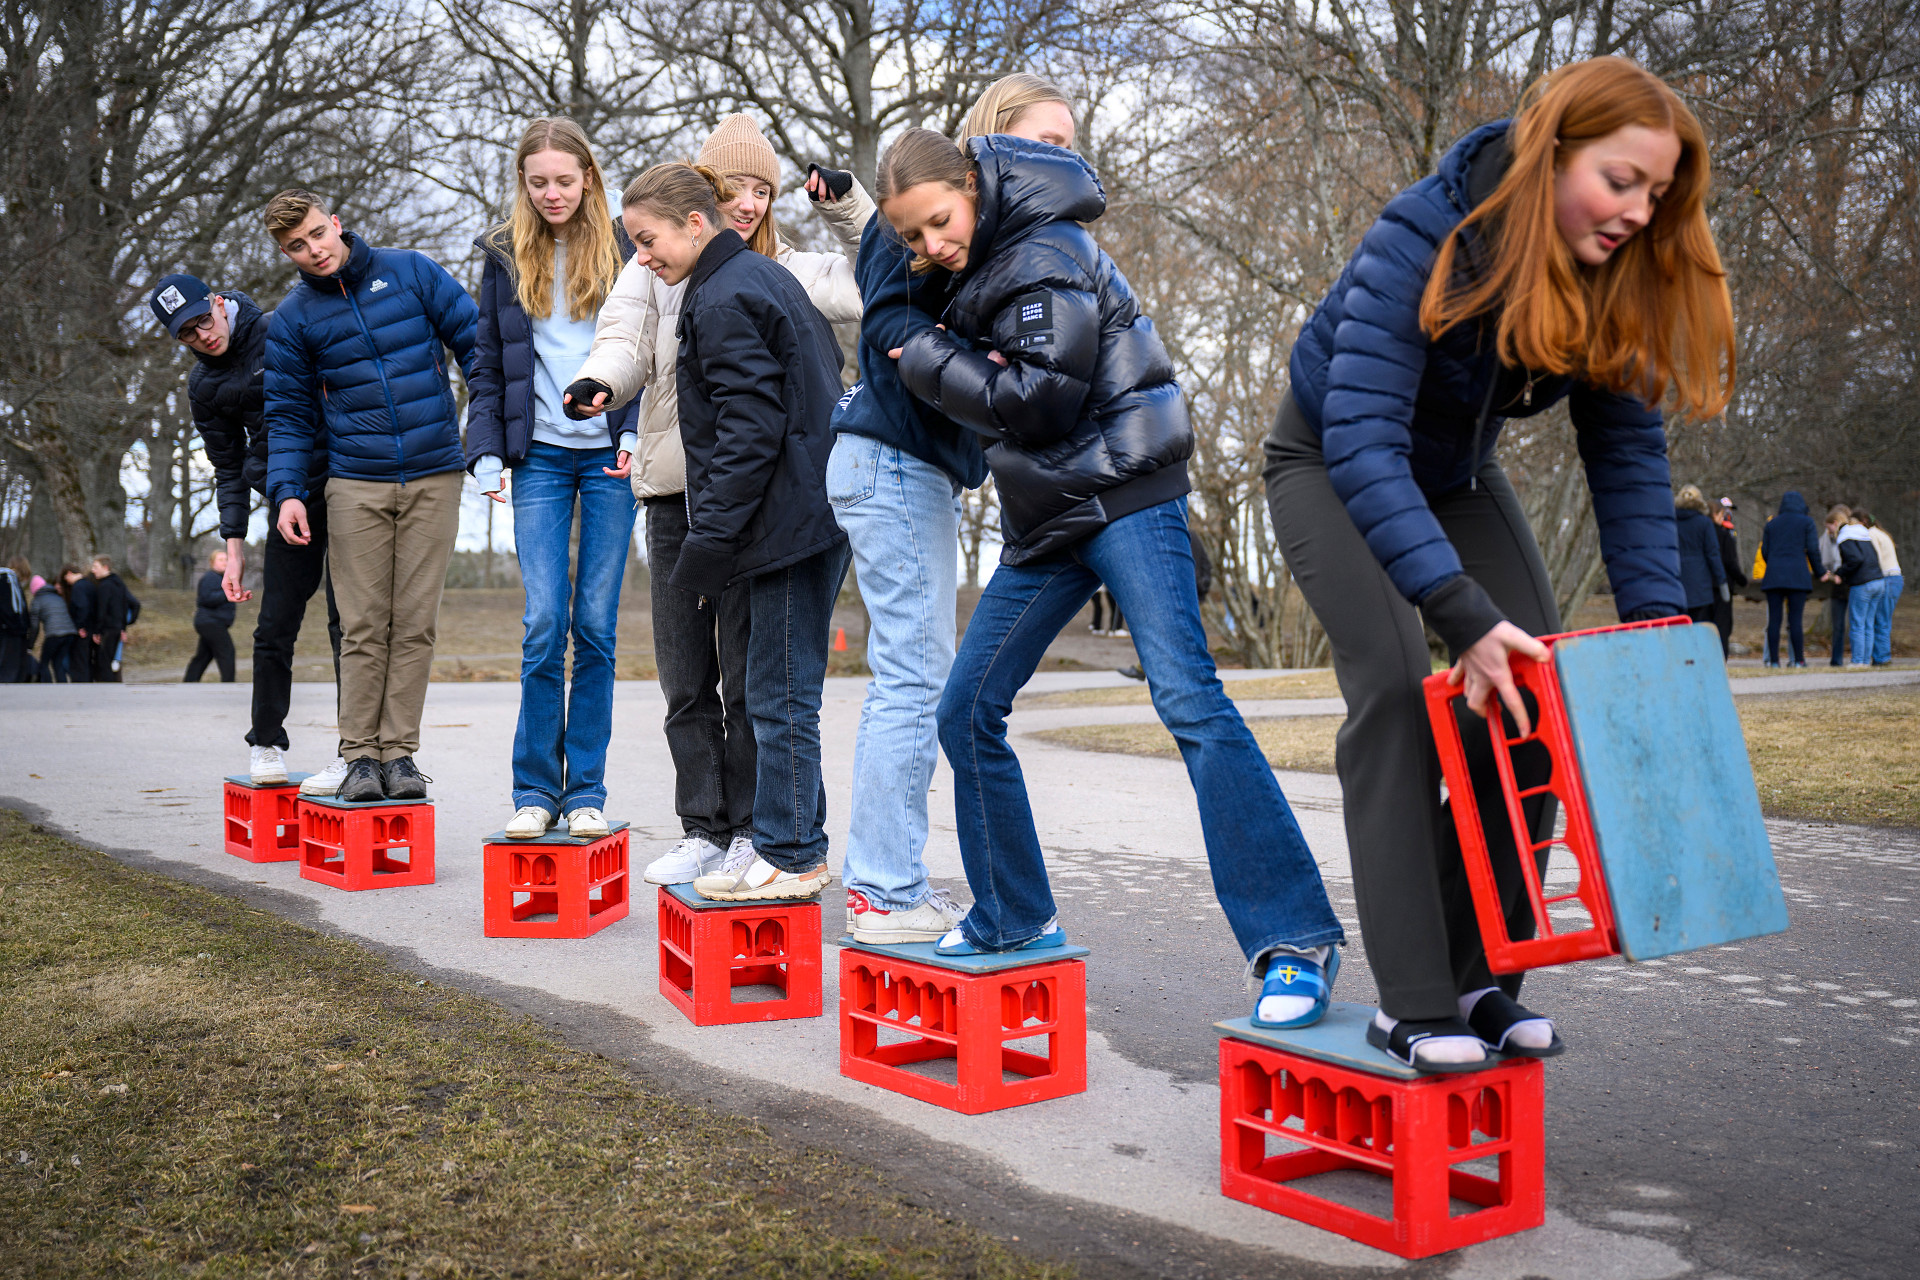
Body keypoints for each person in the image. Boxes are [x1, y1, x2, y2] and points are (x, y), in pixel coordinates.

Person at [1261, 58, 1735, 1068]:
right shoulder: (1427, 234)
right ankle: (1412, 996)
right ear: (1551, 151)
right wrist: (1459, 612)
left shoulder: (1614, 274)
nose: (1638, 213)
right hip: (1334, 457)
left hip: (1455, 477)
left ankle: (1481, 975)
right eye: (1620, 181)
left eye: (1657, 195)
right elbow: (1360, 443)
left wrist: (1657, 636)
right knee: (1394, 690)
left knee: (1534, 686)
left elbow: (1627, 458)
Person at [880, 126, 1344, 1031]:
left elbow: (1043, 400)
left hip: (1127, 495)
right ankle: (1012, 915)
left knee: (1188, 700)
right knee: (965, 707)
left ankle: (1296, 942)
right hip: (1048, 516)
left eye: (938, 221)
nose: (931, 247)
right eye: (912, 239)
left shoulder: (1045, 250)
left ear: (971, 185)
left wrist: (928, 361)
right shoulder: (977, 266)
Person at [568, 114, 869, 883]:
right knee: (706, 684)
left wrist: (713, 543)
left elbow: (751, 428)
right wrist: (601, 383)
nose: (750, 202)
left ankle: (780, 846)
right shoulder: (696, 278)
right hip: (711, 501)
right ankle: (733, 832)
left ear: (689, 224)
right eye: (736, 186)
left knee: (769, 690)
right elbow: (625, 340)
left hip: (760, 514)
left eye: (763, 189)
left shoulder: (737, 289)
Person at [826, 73, 1067, 945]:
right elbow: (895, 317)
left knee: (911, 676)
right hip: (889, 468)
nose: (929, 240)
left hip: (893, 470)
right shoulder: (910, 243)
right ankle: (885, 892)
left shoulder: (966, 240)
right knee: (914, 681)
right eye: (913, 229)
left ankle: (882, 884)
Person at [263, 189, 477, 803]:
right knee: (361, 625)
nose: (313, 251)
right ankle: (359, 756)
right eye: (296, 248)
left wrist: (481, 431)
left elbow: (476, 346)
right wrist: (288, 493)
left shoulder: (411, 271)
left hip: (435, 474)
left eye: (316, 235)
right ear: (287, 253)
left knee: (414, 624)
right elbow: (287, 415)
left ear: (335, 223)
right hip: (354, 483)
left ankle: (401, 755)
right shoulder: (295, 318)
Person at [465, 119, 638, 840]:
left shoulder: (630, 248)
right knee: (544, 624)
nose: (552, 194)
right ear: (523, 186)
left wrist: (631, 431)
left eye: (564, 180)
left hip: (608, 456)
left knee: (594, 627)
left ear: (589, 179)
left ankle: (586, 790)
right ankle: (536, 791)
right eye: (538, 183)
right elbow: (485, 362)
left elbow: (649, 347)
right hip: (535, 455)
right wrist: (486, 451)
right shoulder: (504, 255)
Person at [152, 271, 347, 790]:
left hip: (345, 488)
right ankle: (265, 741)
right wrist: (232, 550)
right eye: (187, 334)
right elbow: (228, 466)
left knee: (348, 625)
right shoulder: (204, 385)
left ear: (218, 302)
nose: (202, 335)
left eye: (203, 320)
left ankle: (355, 751)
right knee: (273, 626)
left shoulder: (281, 327)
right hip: (287, 503)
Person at [1758, 492, 1822, 667]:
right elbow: (1813, 550)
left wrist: (1774, 564)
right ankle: (1798, 660)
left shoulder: (1772, 524)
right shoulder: (1807, 522)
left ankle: (1773, 661)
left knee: (1774, 620)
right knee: (1795, 621)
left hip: (1774, 576)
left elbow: (1765, 551)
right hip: (1798, 576)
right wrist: (1820, 572)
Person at [1829, 512, 1884, 668]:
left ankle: (1858, 660)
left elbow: (1855, 559)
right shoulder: (1864, 535)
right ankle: (1866, 660)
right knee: (1868, 623)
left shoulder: (1845, 538)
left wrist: (1840, 573)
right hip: (1878, 581)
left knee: (1858, 623)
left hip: (1862, 584)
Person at [1673, 485, 1726, 634]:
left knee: (1678, 626)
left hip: (1676, 579)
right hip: (1699, 582)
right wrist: (1721, 579)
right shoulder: (1704, 523)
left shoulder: (1671, 522)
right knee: (1697, 626)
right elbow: (1712, 554)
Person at [183, 549, 238, 682]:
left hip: (213, 622)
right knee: (227, 652)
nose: (225, 562)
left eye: (226, 560)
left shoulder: (222, 578)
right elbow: (205, 599)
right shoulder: (210, 577)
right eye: (221, 560)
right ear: (212, 562)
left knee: (204, 655)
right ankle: (229, 685)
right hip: (210, 622)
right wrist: (227, 593)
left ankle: (189, 682)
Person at [84, 555, 140, 682]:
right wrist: (124, 626)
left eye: (95, 567)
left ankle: (107, 690)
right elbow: (128, 606)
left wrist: (97, 631)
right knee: (110, 661)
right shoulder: (119, 583)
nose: (93, 570)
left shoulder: (105, 586)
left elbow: (102, 610)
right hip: (116, 628)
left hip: (107, 629)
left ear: (105, 567)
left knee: (103, 663)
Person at [1858, 511, 1902, 665]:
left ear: (1862, 522)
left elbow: (1873, 557)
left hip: (1887, 578)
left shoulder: (1870, 534)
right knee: (1883, 620)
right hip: (1895, 578)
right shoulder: (1881, 532)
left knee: (1881, 620)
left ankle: (1882, 658)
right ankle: (1881, 656)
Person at [1818, 504, 1852, 666]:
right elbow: (1823, 558)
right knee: (1838, 625)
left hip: (1852, 582)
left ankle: (1860, 657)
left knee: (1856, 623)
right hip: (1837, 584)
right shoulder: (1827, 538)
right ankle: (1836, 659)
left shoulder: (1850, 535)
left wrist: (1841, 573)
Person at [1711, 498, 1745, 657]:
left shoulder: (1731, 531)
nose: (1728, 512)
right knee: (1721, 623)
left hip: (1720, 582)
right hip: (1721, 582)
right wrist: (1740, 578)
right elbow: (1728, 560)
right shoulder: (1720, 533)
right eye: (1725, 509)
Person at [33, 567, 79, 682]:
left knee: (44, 662)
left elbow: (34, 625)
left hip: (54, 634)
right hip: (70, 633)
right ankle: (61, 686)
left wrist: (30, 644)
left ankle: (47, 686)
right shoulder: (58, 597)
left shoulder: (37, 600)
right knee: (58, 662)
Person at [0, 556, 31, 682]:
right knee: (10, 665)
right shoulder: (8, 578)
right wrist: (20, 626)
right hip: (11, 630)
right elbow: (14, 607)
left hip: (6, 627)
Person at [62, 566, 94, 684]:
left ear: (69, 573)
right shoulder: (89, 585)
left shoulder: (78, 587)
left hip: (82, 630)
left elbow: (82, 606)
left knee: (79, 659)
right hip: (91, 627)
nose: (67, 582)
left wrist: (80, 625)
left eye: (66, 578)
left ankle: (81, 684)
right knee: (86, 659)